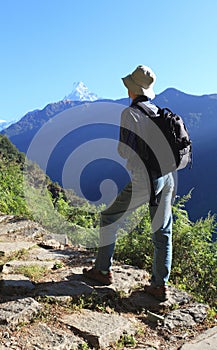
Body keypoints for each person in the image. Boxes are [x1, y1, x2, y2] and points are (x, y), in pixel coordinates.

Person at [83, 65, 175, 301]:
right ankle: (159, 285)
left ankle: (102, 270)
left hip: (146, 178)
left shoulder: (131, 113)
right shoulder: (157, 110)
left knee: (109, 217)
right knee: (162, 230)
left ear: (132, 90)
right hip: (167, 176)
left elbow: (124, 150)